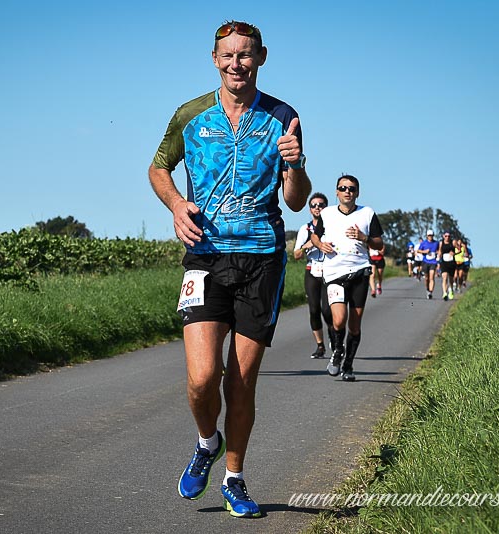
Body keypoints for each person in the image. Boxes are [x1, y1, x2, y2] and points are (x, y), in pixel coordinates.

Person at [148, 20, 311, 519]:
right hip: (205, 254)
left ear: (261, 57)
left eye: (245, 54)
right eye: (228, 55)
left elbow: (296, 200)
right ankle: (207, 442)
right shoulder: (190, 115)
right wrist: (177, 205)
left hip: (262, 258)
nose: (236, 63)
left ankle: (234, 479)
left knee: (240, 382)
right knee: (203, 378)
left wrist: (296, 164)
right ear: (215, 59)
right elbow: (158, 167)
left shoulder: (283, 116)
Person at [311, 175, 383, 382]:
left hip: (359, 272)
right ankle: (337, 350)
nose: (347, 191)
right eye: (343, 188)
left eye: (351, 188)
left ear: (357, 193)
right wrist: (319, 244)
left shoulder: (367, 213)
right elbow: (315, 235)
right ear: (336, 192)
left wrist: (364, 238)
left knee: (355, 325)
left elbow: (379, 244)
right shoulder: (327, 213)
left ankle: (348, 365)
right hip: (334, 273)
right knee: (339, 319)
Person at [293, 193, 333, 358]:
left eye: (321, 205)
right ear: (310, 209)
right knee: (314, 309)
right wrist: (306, 245)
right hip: (312, 271)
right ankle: (320, 345)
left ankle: (334, 337)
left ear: (326, 208)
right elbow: (296, 255)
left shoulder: (332, 226)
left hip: (330, 271)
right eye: (314, 205)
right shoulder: (305, 229)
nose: (317, 208)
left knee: (327, 310)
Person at [417, 230, 439, 299]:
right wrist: (425, 251)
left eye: (431, 235)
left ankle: (430, 292)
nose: (430, 237)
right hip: (425, 262)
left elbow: (439, 250)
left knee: (432, 277)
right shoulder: (424, 243)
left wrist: (438, 253)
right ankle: (427, 289)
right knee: (427, 278)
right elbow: (418, 250)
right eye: (429, 235)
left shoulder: (436, 243)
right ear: (427, 236)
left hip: (433, 262)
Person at [438, 231, 456, 301]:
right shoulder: (441, 243)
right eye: (446, 236)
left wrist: (454, 253)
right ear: (443, 236)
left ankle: (451, 290)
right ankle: (444, 293)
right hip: (444, 262)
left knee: (451, 279)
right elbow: (440, 251)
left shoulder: (453, 242)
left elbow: (459, 250)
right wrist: (439, 256)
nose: (447, 237)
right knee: (444, 277)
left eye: (449, 236)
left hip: (451, 262)